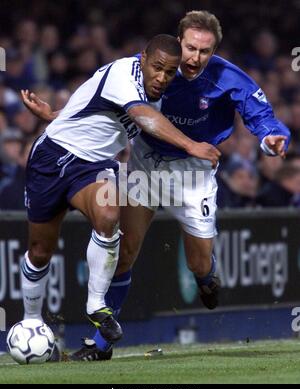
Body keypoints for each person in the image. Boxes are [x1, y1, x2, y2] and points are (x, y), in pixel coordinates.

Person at [23, 11, 290, 361]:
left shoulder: (228, 77)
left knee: (198, 264)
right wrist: (61, 115)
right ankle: (101, 343)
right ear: (178, 43)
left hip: (194, 174)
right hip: (146, 164)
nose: (195, 58)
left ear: (214, 51)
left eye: (205, 51)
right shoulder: (154, 70)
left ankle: (207, 276)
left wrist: (273, 136)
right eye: (190, 47)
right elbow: (113, 102)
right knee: (125, 249)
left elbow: (261, 115)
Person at [19, 34, 221, 360]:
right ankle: (31, 320)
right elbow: (141, 115)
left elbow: (91, 106)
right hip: (52, 158)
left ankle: (97, 305)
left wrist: (55, 113)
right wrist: (190, 145)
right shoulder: (124, 75)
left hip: (93, 167)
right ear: (143, 59)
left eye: (170, 73)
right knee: (40, 251)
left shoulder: (157, 91)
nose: (162, 78)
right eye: (157, 68)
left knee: (111, 214)